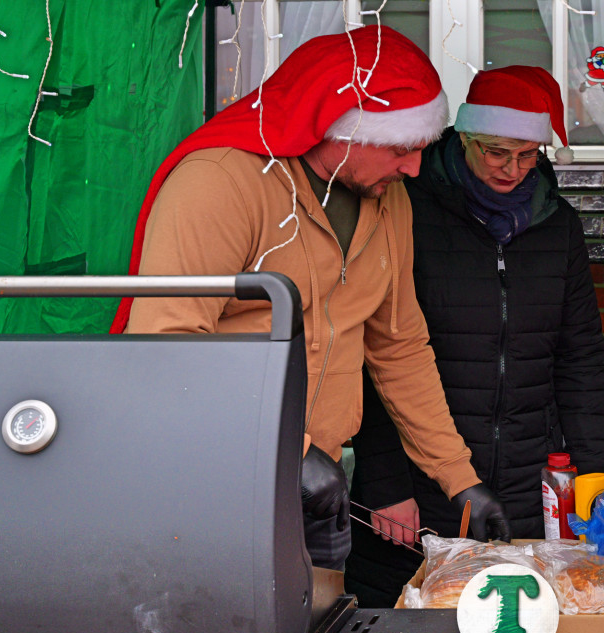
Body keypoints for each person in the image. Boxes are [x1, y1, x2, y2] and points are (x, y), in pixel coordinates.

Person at [113, 26, 510, 570]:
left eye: (421, 149)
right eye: (401, 148)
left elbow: (400, 347)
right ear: (341, 128)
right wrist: (292, 454)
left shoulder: (390, 200)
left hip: (314, 486)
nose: (415, 169)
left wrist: (458, 478)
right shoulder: (220, 183)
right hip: (206, 474)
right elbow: (168, 347)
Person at [343, 66, 604, 607]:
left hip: (527, 481)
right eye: (496, 152)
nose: (512, 169)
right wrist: (385, 485)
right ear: (463, 138)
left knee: (514, 627)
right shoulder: (405, 211)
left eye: (528, 154)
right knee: (407, 632)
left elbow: (579, 357)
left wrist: (592, 473)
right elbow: (373, 355)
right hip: (417, 487)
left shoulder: (559, 227)